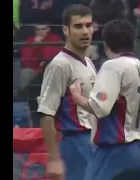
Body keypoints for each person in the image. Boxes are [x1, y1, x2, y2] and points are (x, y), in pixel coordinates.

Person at [69, 19, 140, 180]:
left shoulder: (113, 66)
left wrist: (76, 96)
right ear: (133, 41)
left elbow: (99, 107)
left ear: (106, 44)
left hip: (117, 149)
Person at [37, 4, 96, 180]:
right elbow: (46, 113)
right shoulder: (59, 65)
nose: (85, 31)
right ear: (66, 30)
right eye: (78, 26)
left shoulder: (88, 62)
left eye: (88, 25)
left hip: (92, 139)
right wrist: (54, 158)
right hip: (74, 142)